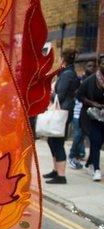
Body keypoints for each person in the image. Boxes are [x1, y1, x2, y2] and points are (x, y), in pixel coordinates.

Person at [44, 49, 80, 184]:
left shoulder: (67, 74)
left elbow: (60, 96)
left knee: (57, 143)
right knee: (52, 141)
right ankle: (55, 170)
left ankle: (61, 175)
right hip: (63, 112)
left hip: (62, 113)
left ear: (63, 59)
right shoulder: (67, 73)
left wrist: (49, 94)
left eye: (60, 58)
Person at [76, 56, 104, 182]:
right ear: (100, 64)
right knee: (96, 141)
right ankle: (96, 169)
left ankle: (88, 164)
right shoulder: (90, 80)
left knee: (99, 142)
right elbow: (79, 95)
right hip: (92, 117)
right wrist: (93, 103)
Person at [69, 60, 96, 169]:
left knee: (86, 136)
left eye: (94, 66)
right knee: (78, 135)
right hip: (78, 113)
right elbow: (76, 95)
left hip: (91, 114)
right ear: (85, 67)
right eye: (89, 66)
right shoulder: (80, 80)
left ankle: (83, 156)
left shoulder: (96, 81)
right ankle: (71, 156)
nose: (92, 68)